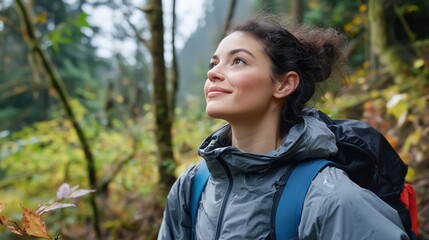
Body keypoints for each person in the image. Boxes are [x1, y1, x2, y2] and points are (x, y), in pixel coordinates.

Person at [157, 14, 409, 240]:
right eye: (215, 63)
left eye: (238, 61)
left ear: (284, 85)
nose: (213, 73)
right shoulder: (191, 187)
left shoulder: (329, 197)